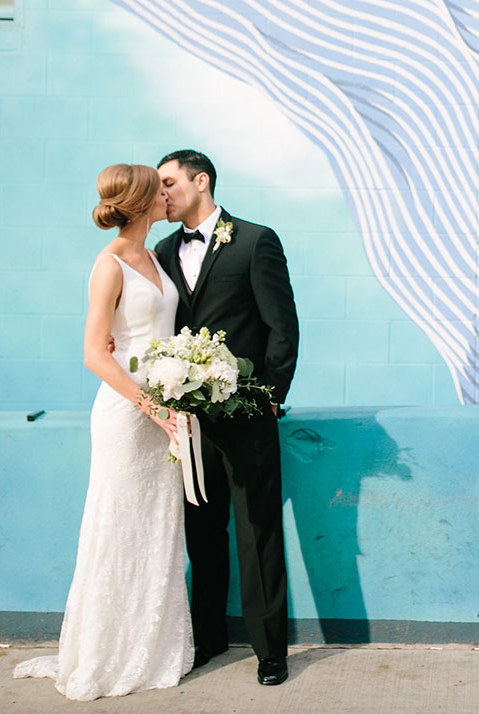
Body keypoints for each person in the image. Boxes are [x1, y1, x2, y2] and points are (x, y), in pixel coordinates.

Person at [13, 164, 193, 700]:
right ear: (141, 202)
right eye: (161, 190)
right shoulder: (108, 265)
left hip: (164, 408)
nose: (169, 196)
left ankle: (154, 647)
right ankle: (104, 654)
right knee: (117, 528)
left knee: (159, 529)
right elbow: (95, 352)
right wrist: (150, 406)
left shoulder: (156, 258)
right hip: (125, 414)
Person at [153, 149, 300, 685]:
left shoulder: (256, 240)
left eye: (168, 183)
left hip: (247, 417)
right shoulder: (163, 250)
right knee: (202, 532)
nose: (161, 193)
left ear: (201, 181)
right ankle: (209, 636)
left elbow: (282, 327)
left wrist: (268, 397)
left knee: (257, 533)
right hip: (189, 425)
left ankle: (270, 653)